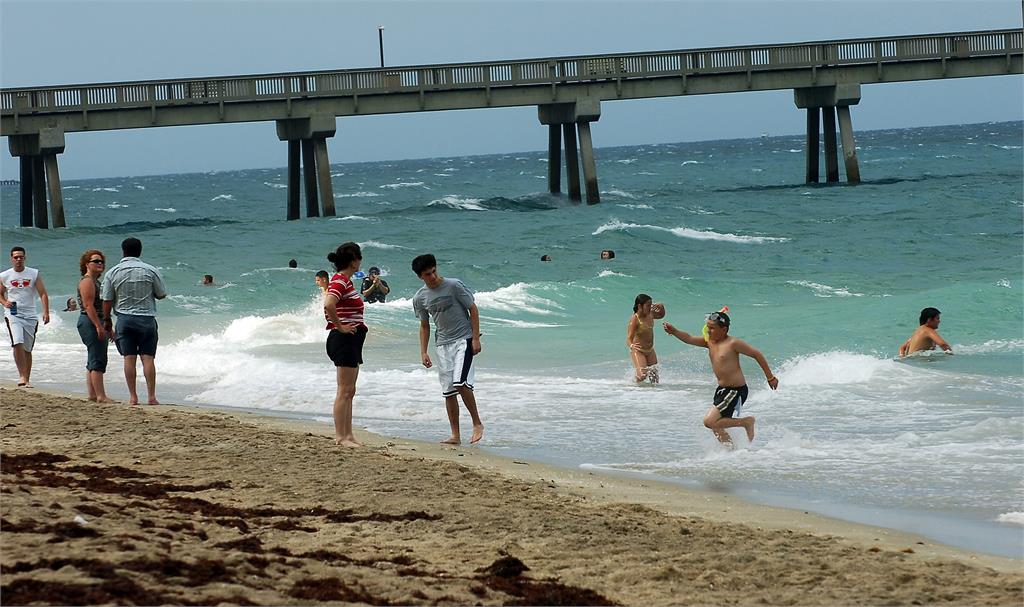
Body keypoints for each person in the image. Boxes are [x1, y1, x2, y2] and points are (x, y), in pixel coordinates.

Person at [663, 310, 778, 446]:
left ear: (724, 329)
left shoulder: (733, 343)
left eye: (712, 328)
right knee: (716, 425)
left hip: (735, 390)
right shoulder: (709, 342)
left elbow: (756, 354)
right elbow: (689, 338)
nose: (709, 331)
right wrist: (674, 331)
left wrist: (770, 377)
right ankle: (730, 451)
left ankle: (747, 422)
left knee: (709, 421)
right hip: (722, 390)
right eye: (708, 327)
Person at [411, 253, 484, 445]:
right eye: (428, 274)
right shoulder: (420, 298)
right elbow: (424, 326)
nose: (433, 276)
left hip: (464, 340)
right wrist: (423, 351)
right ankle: (455, 435)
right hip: (442, 345)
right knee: (449, 391)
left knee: (460, 383)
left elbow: (473, 309)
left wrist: (475, 338)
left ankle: (477, 423)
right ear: (420, 276)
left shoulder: (454, 286)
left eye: (434, 271)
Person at [101, 237, 167, 406]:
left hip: (124, 318)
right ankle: (151, 397)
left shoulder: (113, 272)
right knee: (148, 358)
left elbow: (107, 299)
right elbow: (161, 294)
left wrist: (107, 319)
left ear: (123, 251)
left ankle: (133, 397)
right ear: (140, 251)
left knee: (129, 358)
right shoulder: (151, 270)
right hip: (147, 319)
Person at [323, 242, 367, 447]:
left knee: (350, 390)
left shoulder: (345, 281)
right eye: (359, 258)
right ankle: (341, 436)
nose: (361, 262)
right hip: (344, 339)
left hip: (351, 339)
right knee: (344, 389)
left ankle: (348, 435)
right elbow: (328, 303)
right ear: (353, 261)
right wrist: (339, 326)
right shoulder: (340, 280)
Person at [0, 246, 51, 387]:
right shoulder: (5, 275)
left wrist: (46, 312)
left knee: (27, 348)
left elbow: (43, 294)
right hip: (13, 314)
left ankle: (27, 379)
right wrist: (5, 302)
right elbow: (0, 293)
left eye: (21, 257)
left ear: (24, 258)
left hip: (30, 314)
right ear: (11, 259)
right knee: (17, 342)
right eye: (15, 257)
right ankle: (22, 376)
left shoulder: (33, 273)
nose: (18, 260)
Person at [76, 250, 114, 403]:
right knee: (97, 358)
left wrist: (107, 325)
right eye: (96, 261)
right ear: (87, 264)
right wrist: (99, 326)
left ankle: (93, 394)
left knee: (93, 357)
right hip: (90, 321)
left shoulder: (95, 282)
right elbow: (88, 305)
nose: (100, 264)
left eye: (101, 262)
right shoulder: (87, 281)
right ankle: (101, 396)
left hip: (93, 320)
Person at [626, 294, 663, 383]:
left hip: (650, 350)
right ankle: (633, 388)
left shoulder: (650, 314)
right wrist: (632, 346)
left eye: (651, 305)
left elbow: (661, 315)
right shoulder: (635, 319)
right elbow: (629, 338)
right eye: (648, 305)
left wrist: (661, 306)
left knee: (654, 378)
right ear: (640, 306)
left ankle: (653, 395)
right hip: (639, 351)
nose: (650, 308)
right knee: (642, 375)